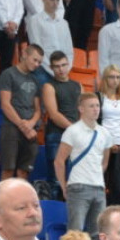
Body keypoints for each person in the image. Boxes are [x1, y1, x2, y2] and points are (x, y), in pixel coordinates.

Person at [55, 93, 112, 240]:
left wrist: (97, 177)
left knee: (96, 233)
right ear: (81, 109)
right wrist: (64, 186)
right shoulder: (72, 131)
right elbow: (59, 161)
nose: (96, 109)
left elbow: (105, 161)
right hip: (78, 186)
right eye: (91, 106)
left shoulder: (105, 133)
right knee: (75, 232)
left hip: (98, 187)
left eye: (97, 106)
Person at [0, 44, 44, 180]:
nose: (36, 64)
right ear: (24, 54)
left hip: (30, 129)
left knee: (24, 172)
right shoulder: (8, 74)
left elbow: (38, 110)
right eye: (34, 60)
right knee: (8, 169)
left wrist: (31, 124)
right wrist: (23, 126)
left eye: (39, 62)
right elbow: (5, 104)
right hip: (11, 128)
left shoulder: (36, 79)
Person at [41, 51, 81, 198]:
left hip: (75, 137)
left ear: (68, 64)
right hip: (57, 136)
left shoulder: (78, 85)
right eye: (57, 66)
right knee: (56, 181)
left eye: (63, 65)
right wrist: (76, 129)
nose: (61, 69)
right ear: (51, 68)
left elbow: (83, 110)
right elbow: (53, 114)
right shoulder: (49, 86)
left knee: (75, 179)